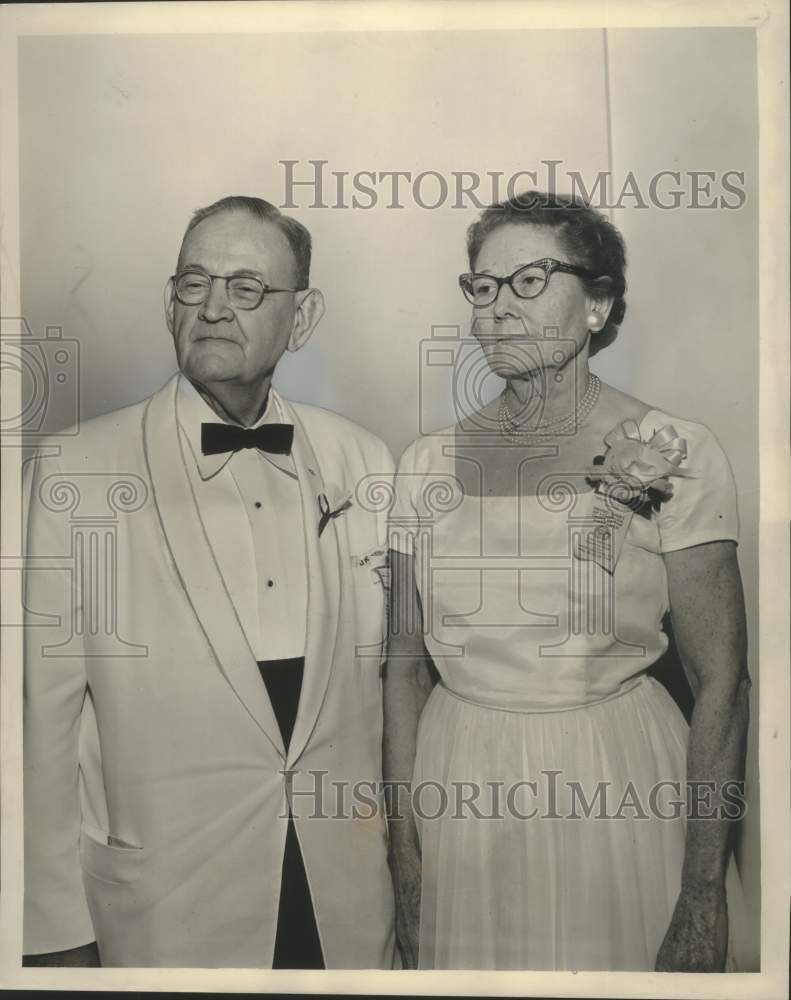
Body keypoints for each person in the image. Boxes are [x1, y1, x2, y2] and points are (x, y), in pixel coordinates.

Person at [23, 196, 395, 968]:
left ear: (303, 315)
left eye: (247, 288)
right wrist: (52, 931)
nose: (215, 308)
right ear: (170, 302)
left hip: (345, 903)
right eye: (195, 283)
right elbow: (38, 721)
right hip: (165, 911)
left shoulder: (366, 462)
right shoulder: (75, 470)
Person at [384, 191, 751, 971]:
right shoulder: (422, 464)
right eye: (482, 287)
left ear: (597, 303)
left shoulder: (673, 448)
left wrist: (701, 889)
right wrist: (404, 851)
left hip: (614, 779)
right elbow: (403, 667)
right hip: (460, 783)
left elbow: (720, 681)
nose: (496, 309)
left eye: (528, 281)